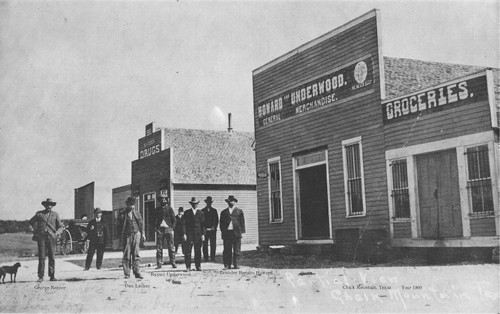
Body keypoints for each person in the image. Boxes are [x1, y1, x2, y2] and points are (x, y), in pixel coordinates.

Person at [29, 198, 64, 282]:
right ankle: (40, 276)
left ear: (52, 206)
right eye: (47, 204)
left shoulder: (55, 214)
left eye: (51, 204)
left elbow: (60, 227)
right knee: (41, 257)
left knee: (52, 257)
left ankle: (52, 276)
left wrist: (57, 233)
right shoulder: (39, 214)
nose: (49, 206)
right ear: (44, 205)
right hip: (41, 238)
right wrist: (34, 231)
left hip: (52, 238)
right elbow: (30, 223)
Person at [118, 196, 146, 279]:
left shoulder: (137, 213)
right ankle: (127, 274)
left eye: (133, 205)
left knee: (136, 254)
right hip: (127, 236)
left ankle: (137, 272)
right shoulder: (122, 214)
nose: (132, 206)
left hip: (136, 234)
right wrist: (120, 237)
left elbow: (141, 224)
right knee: (127, 255)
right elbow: (119, 227)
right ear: (127, 205)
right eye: (130, 205)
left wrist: (143, 234)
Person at [220, 195, 245, 270]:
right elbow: (221, 224)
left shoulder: (239, 211)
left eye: (232, 201)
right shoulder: (224, 212)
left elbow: (242, 222)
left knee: (237, 250)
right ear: (227, 202)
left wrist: (241, 232)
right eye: (229, 201)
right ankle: (227, 265)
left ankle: (236, 264)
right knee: (227, 250)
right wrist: (223, 232)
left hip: (236, 233)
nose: (231, 203)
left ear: (234, 202)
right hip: (227, 233)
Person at [183, 197, 205, 271]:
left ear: (197, 204)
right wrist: (184, 234)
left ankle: (198, 266)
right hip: (189, 235)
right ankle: (188, 267)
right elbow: (184, 224)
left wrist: (203, 234)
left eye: (196, 204)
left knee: (198, 251)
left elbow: (203, 225)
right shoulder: (187, 213)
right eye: (193, 204)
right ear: (191, 204)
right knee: (188, 251)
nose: (194, 205)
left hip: (198, 235)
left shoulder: (201, 213)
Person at [155, 195, 177, 269]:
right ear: (160, 202)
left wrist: (172, 228)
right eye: (162, 201)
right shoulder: (157, 209)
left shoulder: (169, 209)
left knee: (171, 246)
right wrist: (156, 228)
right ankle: (159, 263)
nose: (163, 202)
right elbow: (153, 220)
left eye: (164, 201)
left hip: (168, 229)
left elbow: (174, 219)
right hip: (160, 230)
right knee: (159, 247)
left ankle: (173, 262)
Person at [201, 196, 218, 262]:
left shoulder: (214, 210)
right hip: (205, 231)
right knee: (205, 244)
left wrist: (214, 227)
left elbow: (216, 220)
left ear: (211, 203)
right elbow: (201, 221)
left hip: (212, 230)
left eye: (210, 202)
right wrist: (203, 228)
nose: (209, 203)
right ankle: (206, 258)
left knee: (213, 244)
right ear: (206, 203)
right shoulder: (202, 211)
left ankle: (213, 257)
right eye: (207, 202)